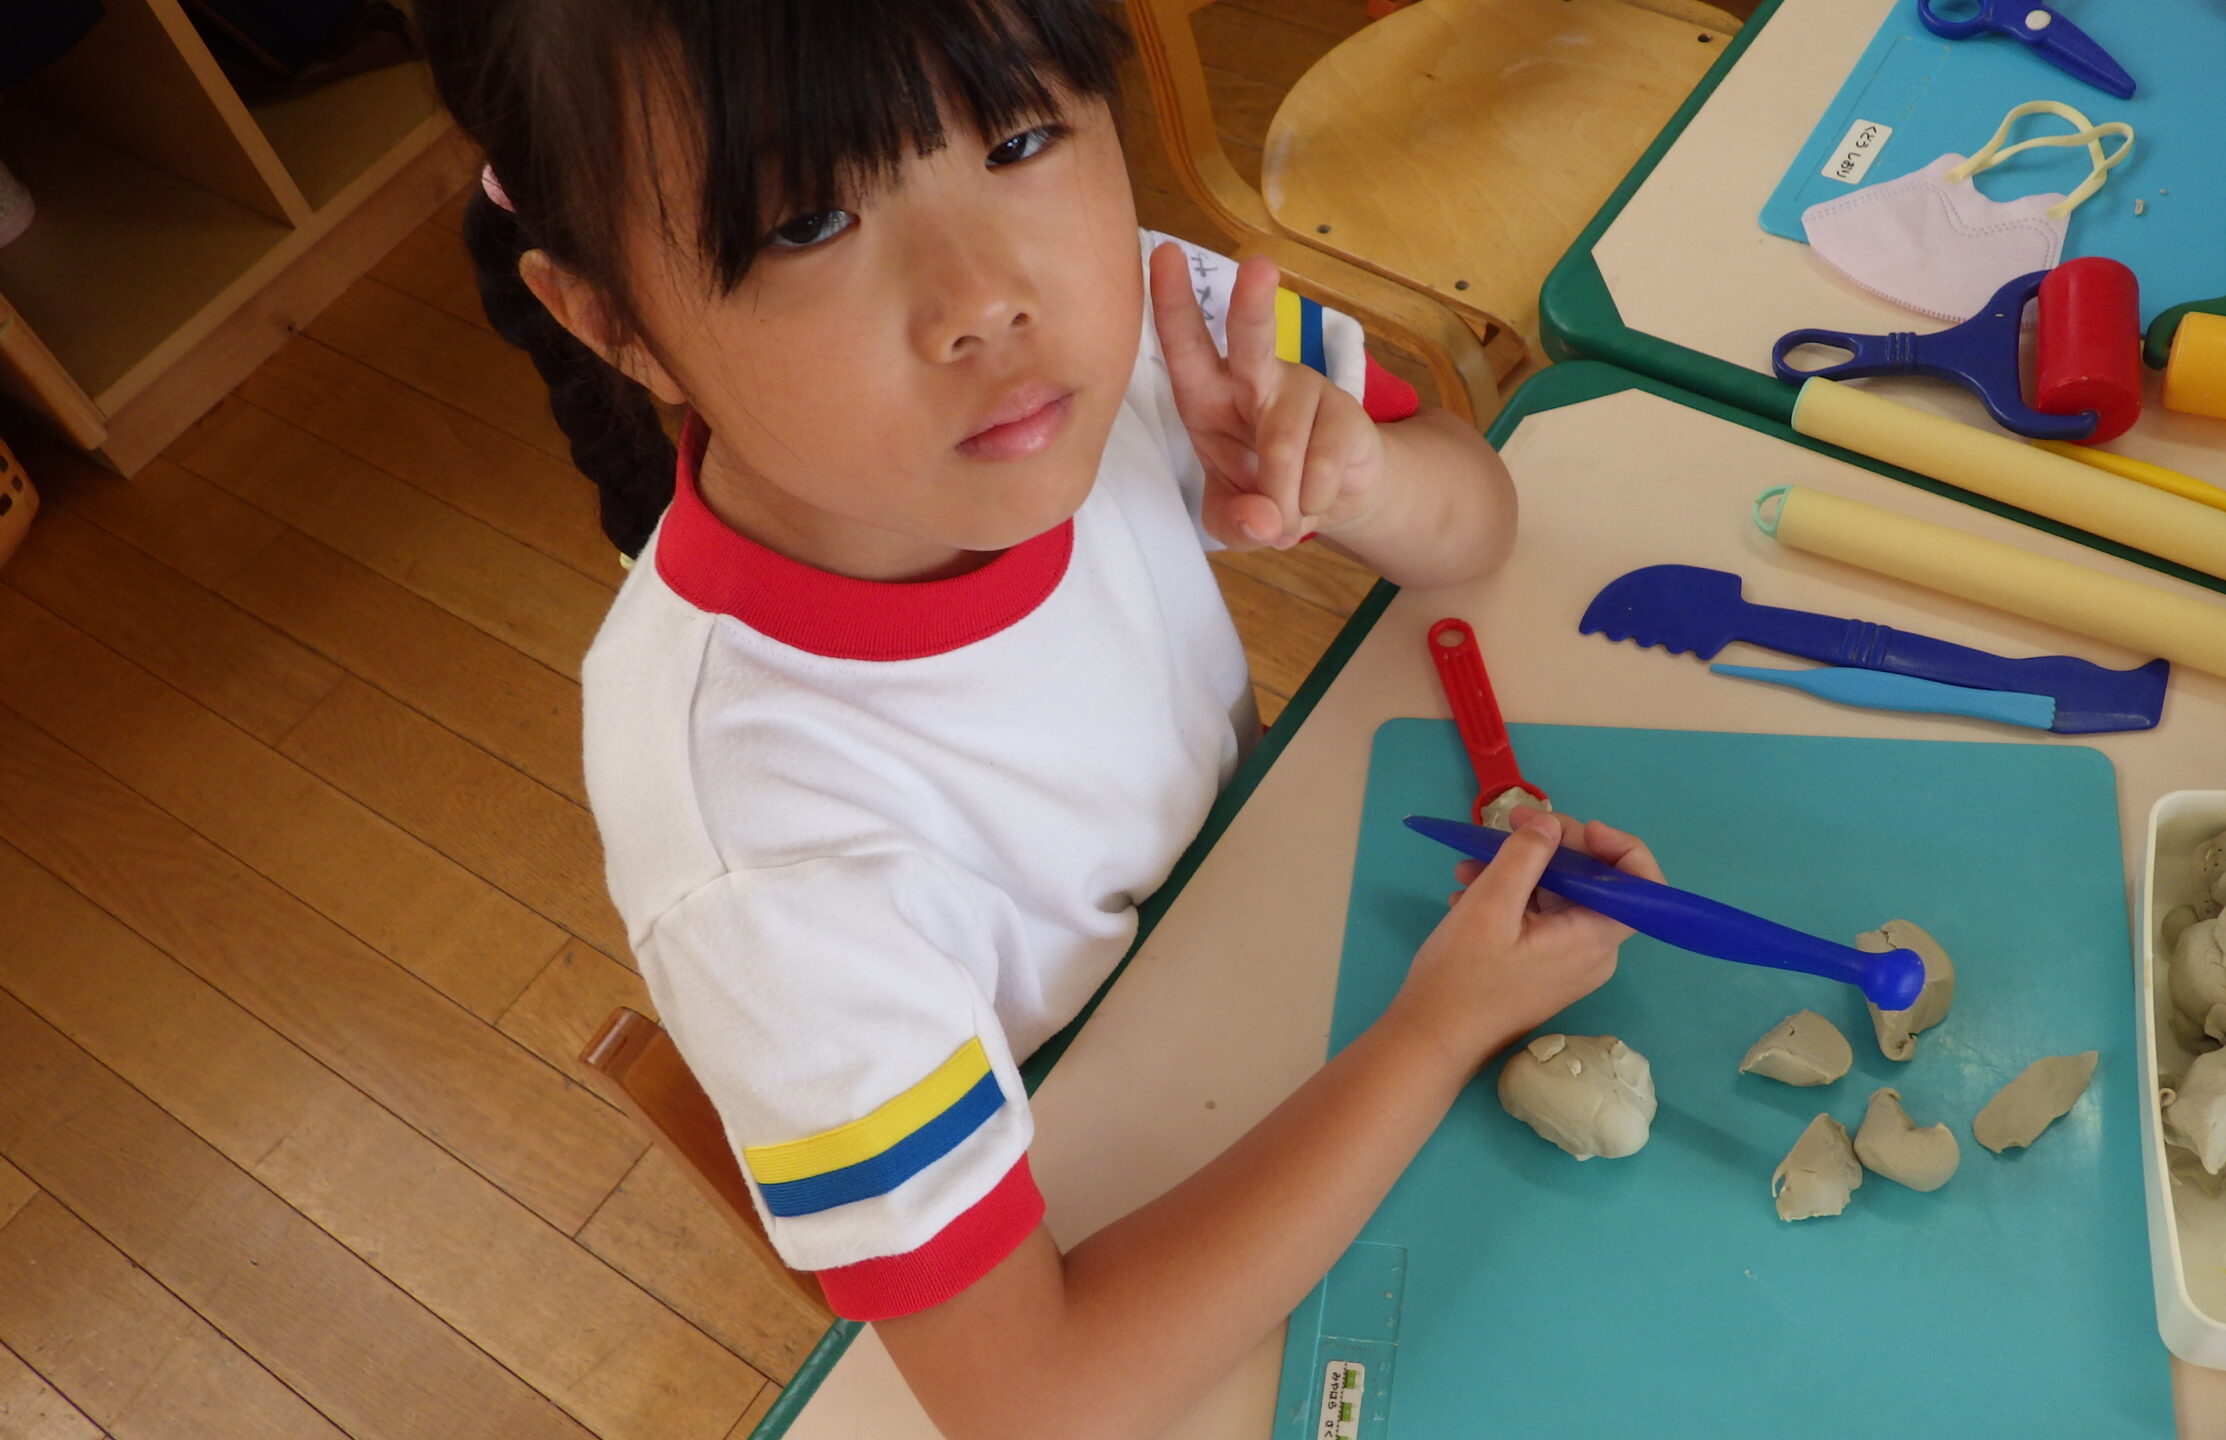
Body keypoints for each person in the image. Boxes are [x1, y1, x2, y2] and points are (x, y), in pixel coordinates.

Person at [417, 2, 1661, 1434]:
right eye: (809, 223)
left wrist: (1356, 477)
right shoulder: (759, 837)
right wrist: (1435, 1033)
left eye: (1016, 139)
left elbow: (1478, 520)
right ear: (611, 321)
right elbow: (1036, 1404)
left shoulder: (1148, 319)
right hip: (1153, 1243)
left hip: (1289, 983)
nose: (985, 298)